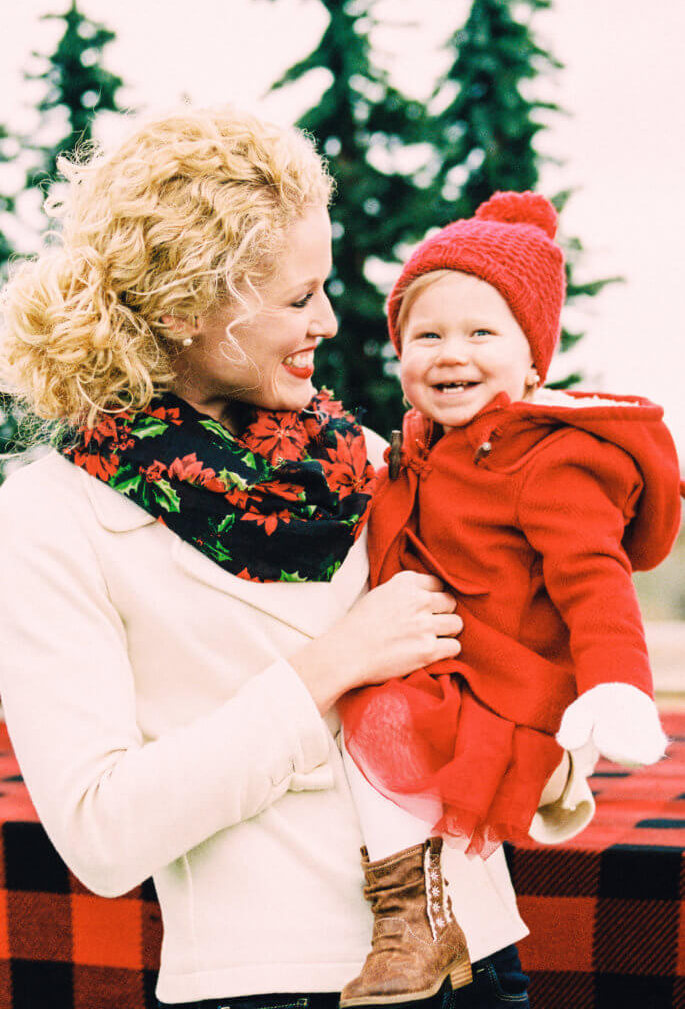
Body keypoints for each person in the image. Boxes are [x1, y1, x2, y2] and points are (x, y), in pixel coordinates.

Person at [0, 109, 543, 1009]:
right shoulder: (50, 516)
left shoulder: (368, 457)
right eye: (297, 298)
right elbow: (101, 835)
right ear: (182, 307)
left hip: (480, 957)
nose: (329, 320)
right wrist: (329, 667)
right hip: (275, 988)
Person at [337, 191, 684, 1006]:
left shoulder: (547, 460)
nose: (448, 352)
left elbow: (591, 574)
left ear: (533, 360)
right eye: (425, 335)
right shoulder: (425, 447)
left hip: (506, 690)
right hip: (452, 667)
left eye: (480, 333)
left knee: (371, 718)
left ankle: (411, 916)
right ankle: (426, 906)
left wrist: (616, 682)